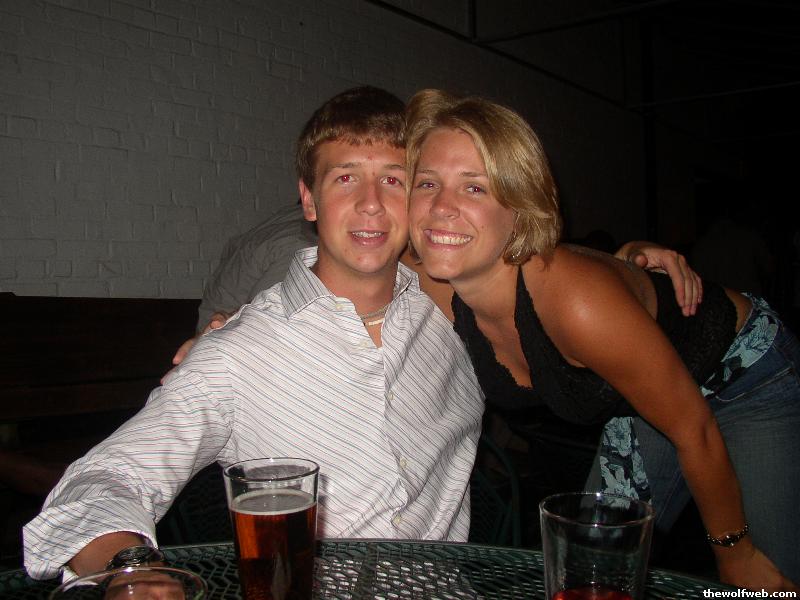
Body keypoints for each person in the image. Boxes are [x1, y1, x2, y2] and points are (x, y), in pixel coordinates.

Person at [23, 86, 486, 581]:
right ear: (309, 199)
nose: (371, 203)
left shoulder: (458, 317)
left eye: (393, 179)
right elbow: (106, 478)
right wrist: (131, 573)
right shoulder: (238, 354)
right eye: (345, 177)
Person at [403, 89, 799, 590]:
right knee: (589, 577)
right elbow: (357, 241)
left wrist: (734, 553)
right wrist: (624, 262)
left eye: (475, 188)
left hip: (748, 378)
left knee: (765, 581)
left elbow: (692, 428)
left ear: (521, 208)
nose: (442, 206)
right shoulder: (432, 280)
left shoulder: (576, 304)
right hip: (642, 401)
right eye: (428, 183)